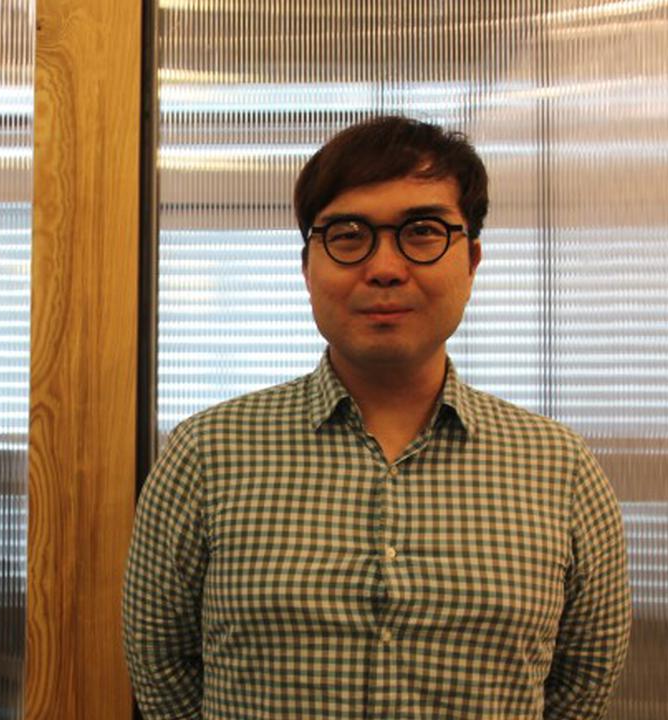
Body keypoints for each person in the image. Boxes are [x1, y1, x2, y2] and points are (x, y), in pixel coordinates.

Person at [122, 115, 631, 719]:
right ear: (307, 267)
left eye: (422, 232)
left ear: (471, 261)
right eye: (348, 235)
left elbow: (583, 678)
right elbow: (161, 663)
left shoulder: (559, 467)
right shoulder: (207, 453)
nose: (385, 267)